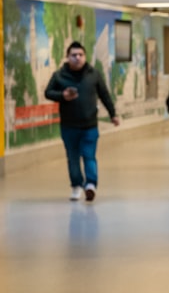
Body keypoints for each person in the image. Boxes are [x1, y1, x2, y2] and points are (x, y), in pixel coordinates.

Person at [44, 40, 120, 202]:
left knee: (89, 155)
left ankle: (91, 184)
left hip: (89, 125)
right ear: (67, 57)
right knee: (73, 157)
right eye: (73, 55)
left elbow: (104, 95)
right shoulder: (59, 76)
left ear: (85, 57)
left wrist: (113, 114)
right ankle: (76, 185)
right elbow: (48, 92)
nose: (77, 58)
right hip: (68, 126)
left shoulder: (94, 74)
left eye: (80, 55)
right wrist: (62, 95)